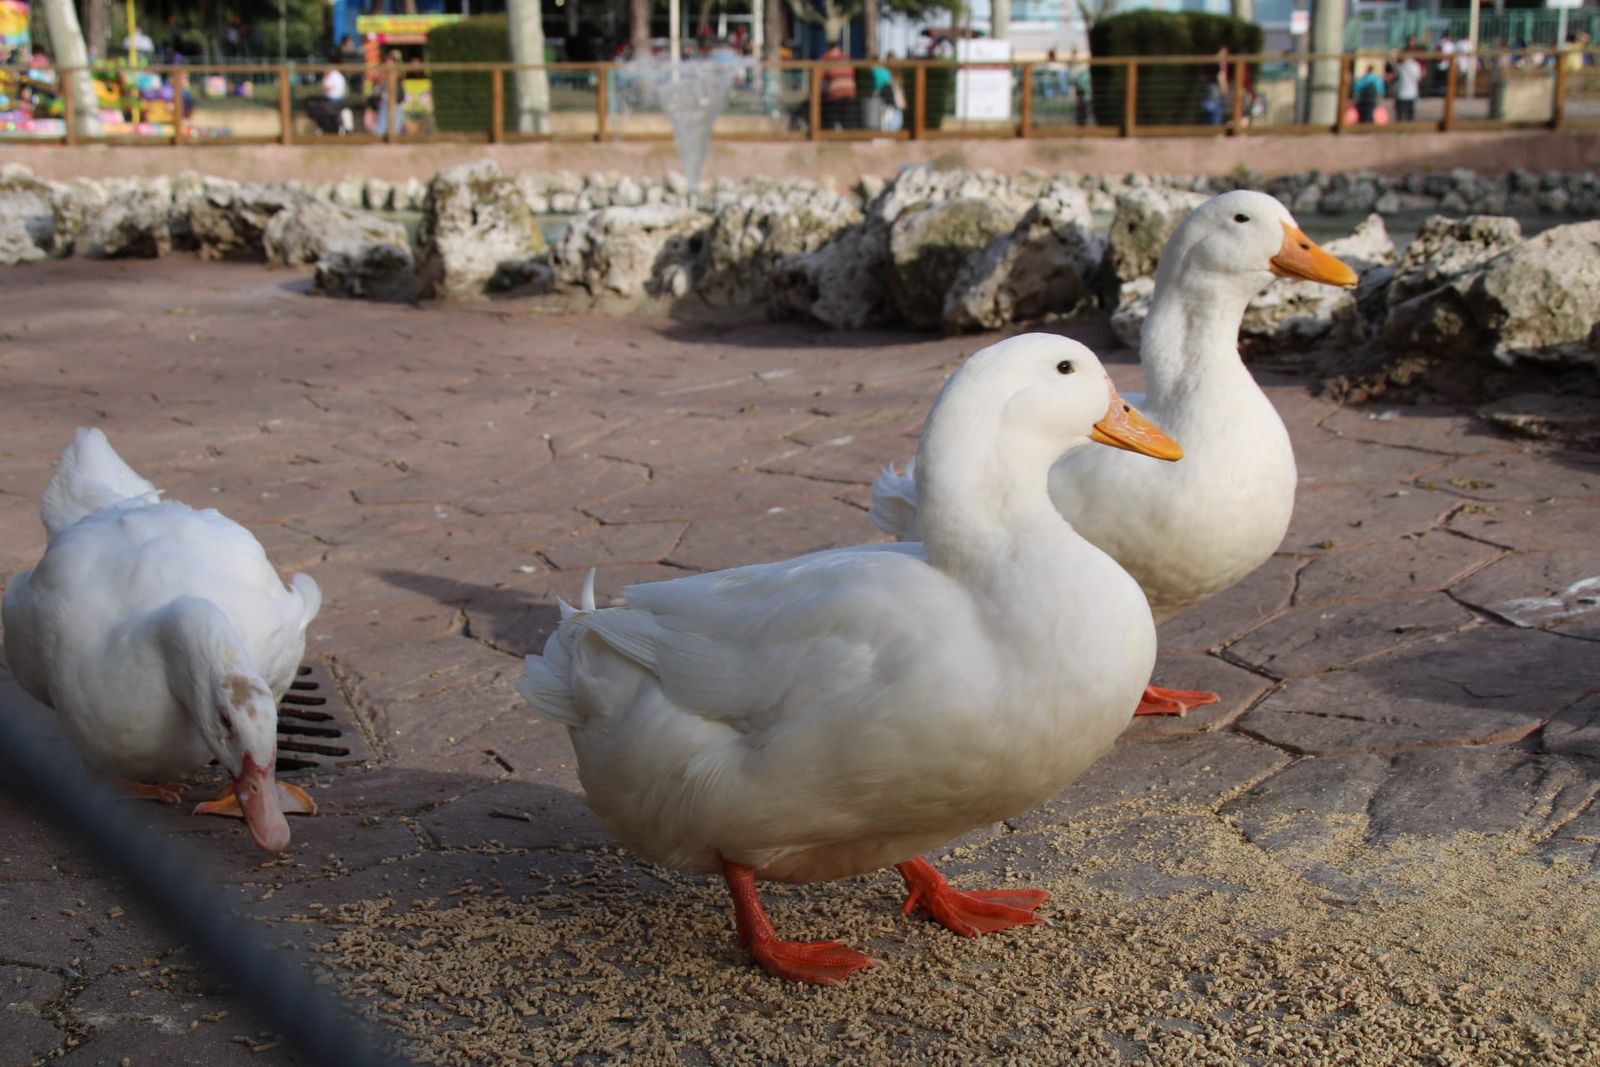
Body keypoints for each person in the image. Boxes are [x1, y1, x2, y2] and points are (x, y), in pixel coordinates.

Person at [820, 41, 856, 130]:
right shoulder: (846, 57)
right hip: (850, 90)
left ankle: (830, 136)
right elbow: (852, 72)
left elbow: (819, 77)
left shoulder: (826, 58)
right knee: (848, 122)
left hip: (836, 92)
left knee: (831, 120)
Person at [1393, 48, 1422, 122]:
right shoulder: (1416, 65)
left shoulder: (1400, 66)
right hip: (1412, 93)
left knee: (1400, 115)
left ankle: (1399, 129)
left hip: (1401, 93)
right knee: (1410, 114)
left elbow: (1395, 75)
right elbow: (1418, 78)